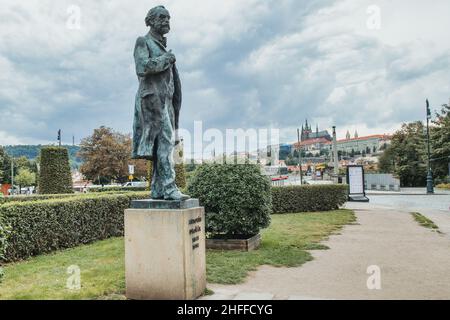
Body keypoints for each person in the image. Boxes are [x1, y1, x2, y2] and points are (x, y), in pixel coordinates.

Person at [132, 6, 189, 201]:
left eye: (168, 18)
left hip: (167, 103)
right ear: (150, 21)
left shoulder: (163, 46)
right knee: (164, 142)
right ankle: (169, 187)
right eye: (162, 17)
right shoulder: (143, 41)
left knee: (162, 146)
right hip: (153, 102)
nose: (166, 21)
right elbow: (142, 67)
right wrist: (166, 59)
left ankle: (157, 189)